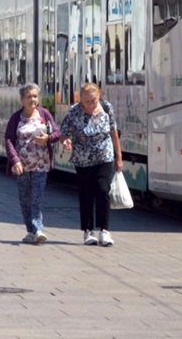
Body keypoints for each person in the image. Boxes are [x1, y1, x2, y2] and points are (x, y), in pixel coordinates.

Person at [59, 83, 122, 247]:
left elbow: (114, 132)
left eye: (93, 100)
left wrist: (118, 157)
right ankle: (88, 231)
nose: (90, 104)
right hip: (83, 159)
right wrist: (65, 140)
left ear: (99, 95)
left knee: (102, 189)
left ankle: (104, 230)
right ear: (81, 99)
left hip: (104, 156)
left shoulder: (107, 107)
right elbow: (63, 130)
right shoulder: (74, 111)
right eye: (86, 101)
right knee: (86, 194)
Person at [4, 82, 60, 244]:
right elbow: (8, 139)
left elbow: (57, 132)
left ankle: (38, 229)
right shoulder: (16, 118)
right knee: (25, 200)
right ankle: (31, 231)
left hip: (41, 165)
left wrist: (48, 138)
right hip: (22, 167)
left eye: (35, 96)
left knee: (36, 198)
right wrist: (15, 160)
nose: (33, 99)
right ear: (22, 99)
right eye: (29, 97)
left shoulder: (44, 114)